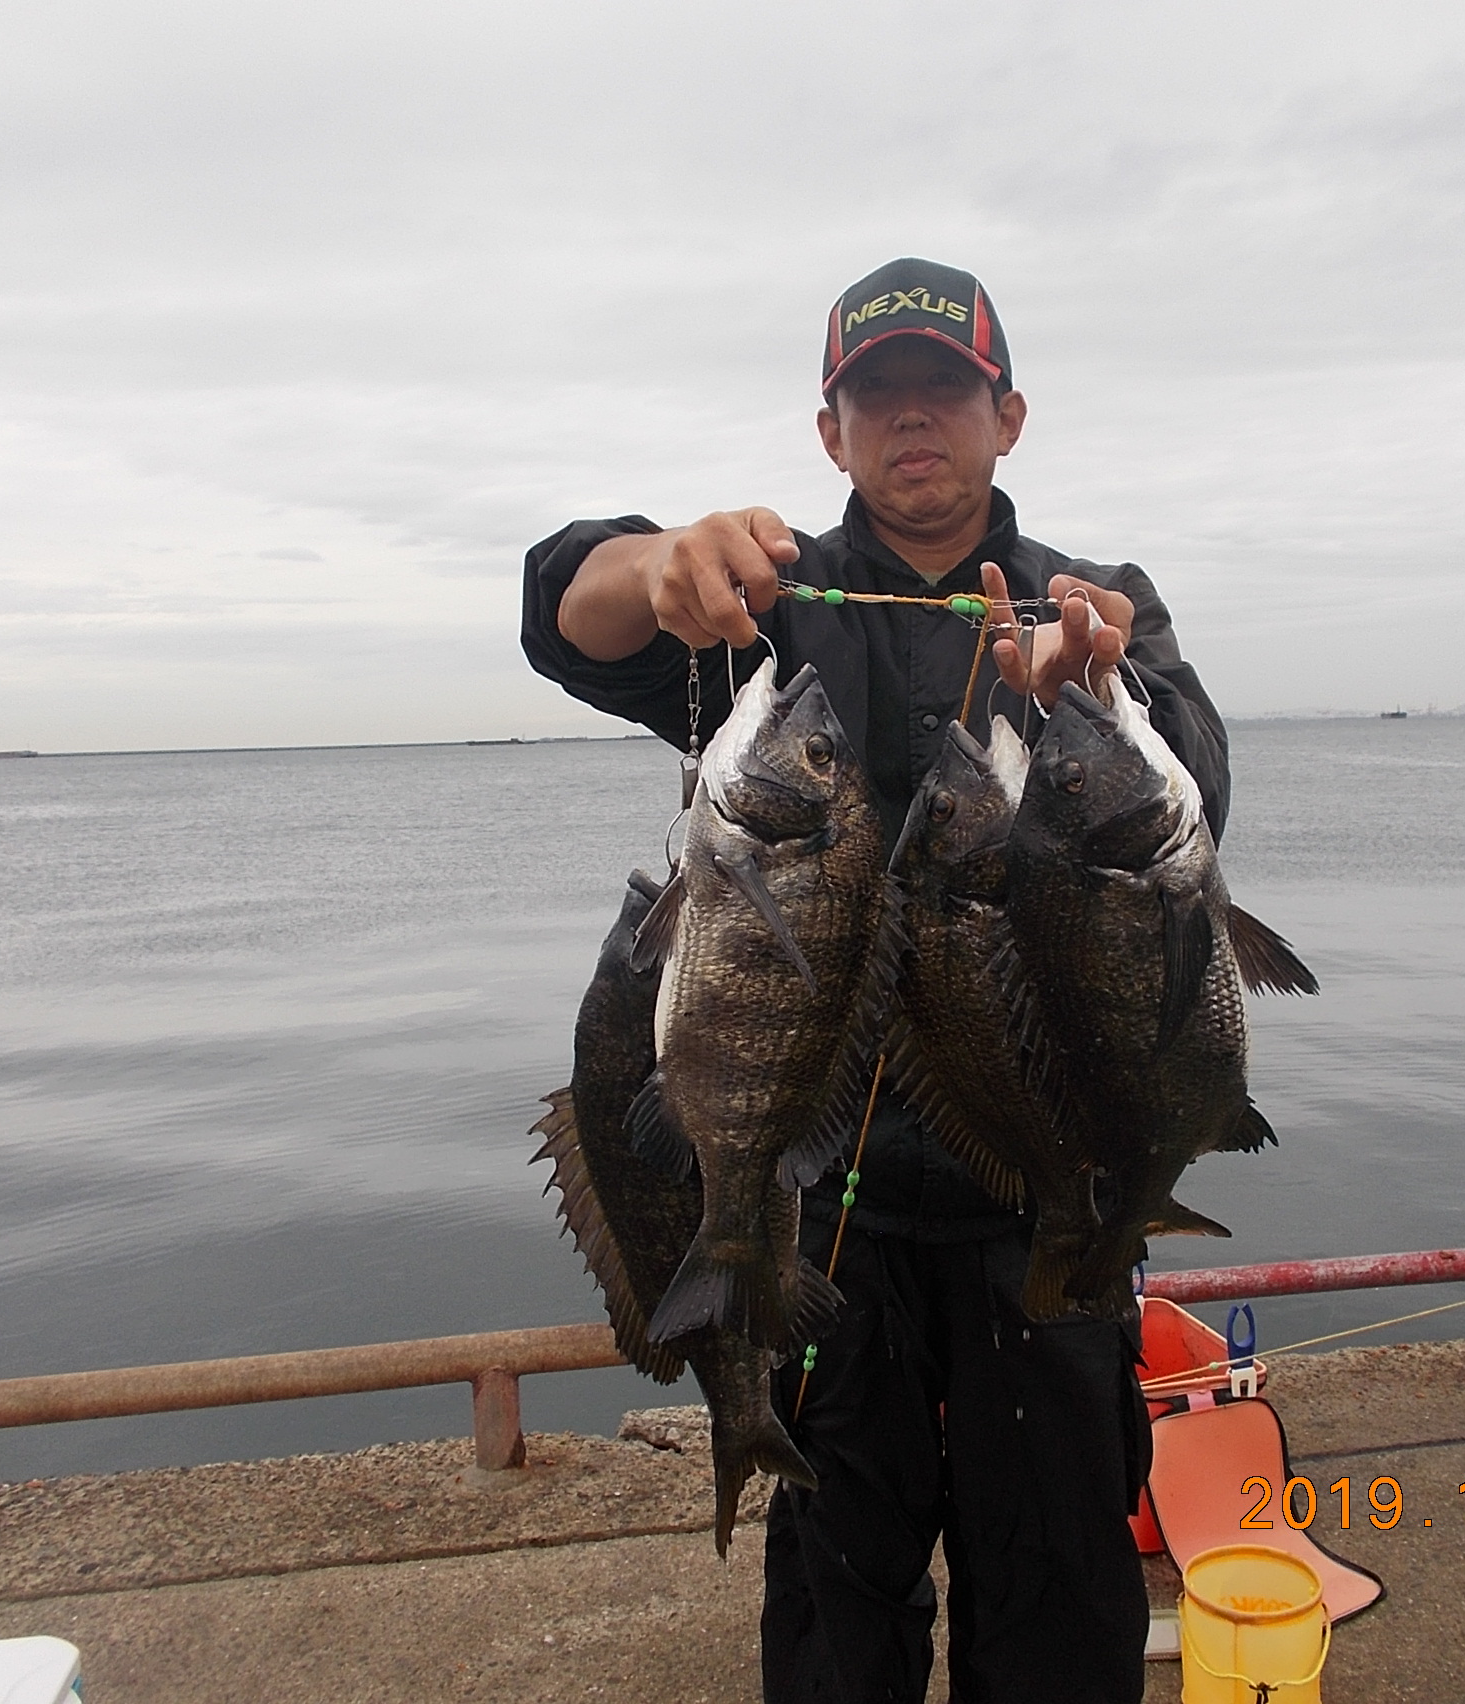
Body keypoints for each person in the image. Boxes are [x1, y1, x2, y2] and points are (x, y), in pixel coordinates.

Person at [520, 258, 1232, 1704]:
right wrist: (649, 564)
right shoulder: (763, 607)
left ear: (1007, 417)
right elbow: (561, 615)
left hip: (1048, 1192)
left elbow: (1192, 793)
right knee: (839, 1611)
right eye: (878, 395)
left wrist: (1097, 687)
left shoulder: (1101, 604)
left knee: (1059, 1598)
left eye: (946, 393)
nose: (914, 420)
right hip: (822, 1211)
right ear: (830, 431)